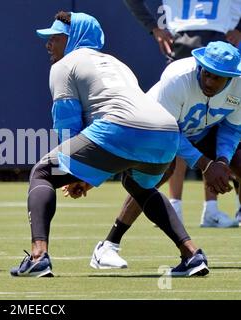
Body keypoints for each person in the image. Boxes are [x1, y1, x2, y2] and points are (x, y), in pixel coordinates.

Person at [10, 11, 209, 278]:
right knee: (139, 186)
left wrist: (76, 173)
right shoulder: (116, 63)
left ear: (73, 39)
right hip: (165, 133)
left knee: (43, 172)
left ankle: (38, 257)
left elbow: (67, 126)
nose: (48, 44)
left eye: (55, 38)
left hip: (121, 130)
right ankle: (192, 255)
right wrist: (84, 172)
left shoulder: (64, 65)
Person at [91, 41, 241, 269]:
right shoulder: (177, 77)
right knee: (162, 171)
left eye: (217, 78)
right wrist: (206, 165)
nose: (209, 81)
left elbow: (232, 128)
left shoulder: (239, 85)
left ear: (230, 78)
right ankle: (109, 245)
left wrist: (222, 161)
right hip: (154, 128)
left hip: (202, 129)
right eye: (206, 73)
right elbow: (168, 133)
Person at [124, 0, 241, 224]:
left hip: (212, 41)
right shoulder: (178, 75)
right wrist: (153, 27)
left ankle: (210, 209)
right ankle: (179, 206)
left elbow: (232, 130)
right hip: (193, 39)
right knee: (176, 126)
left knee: (212, 126)